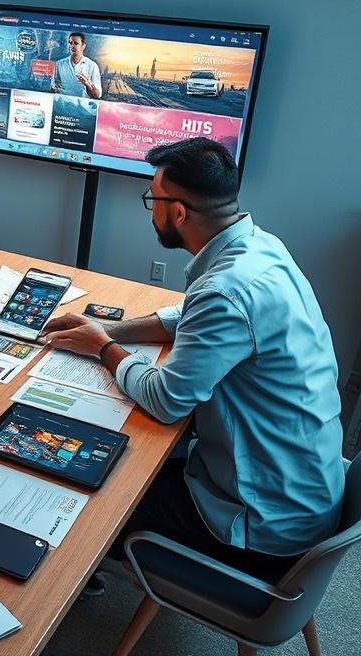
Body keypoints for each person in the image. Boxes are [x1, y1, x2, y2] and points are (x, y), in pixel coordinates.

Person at [42, 137, 344, 587]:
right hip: (302, 489)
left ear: (177, 212)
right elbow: (189, 317)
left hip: (260, 530)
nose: (150, 210)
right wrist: (107, 329)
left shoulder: (226, 291)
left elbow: (166, 401)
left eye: (152, 199)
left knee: (73, 481)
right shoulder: (259, 248)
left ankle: (71, 579)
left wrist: (102, 349)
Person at [52, 32, 102, 99]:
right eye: (70, 43)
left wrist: (87, 84)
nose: (72, 46)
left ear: (83, 46)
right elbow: (52, 87)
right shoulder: (59, 64)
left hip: (83, 107)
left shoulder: (92, 66)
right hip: (62, 106)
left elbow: (97, 95)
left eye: (76, 43)